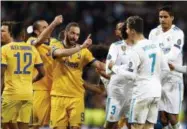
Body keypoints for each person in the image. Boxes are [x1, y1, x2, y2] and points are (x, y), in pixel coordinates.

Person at [109, 16, 170, 129]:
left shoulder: (136, 49)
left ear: (132, 31)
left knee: (136, 127)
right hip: (156, 93)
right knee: (149, 127)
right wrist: (155, 81)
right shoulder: (155, 46)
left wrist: (114, 68)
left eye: (127, 29)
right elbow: (166, 70)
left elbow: (131, 75)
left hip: (142, 93)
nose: (125, 31)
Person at [50, 22, 105, 129]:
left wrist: (110, 66)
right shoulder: (55, 45)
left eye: (77, 35)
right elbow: (60, 54)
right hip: (58, 96)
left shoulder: (84, 52)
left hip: (76, 97)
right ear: (65, 33)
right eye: (72, 33)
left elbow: (98, 64)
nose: (75, 37)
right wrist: (81, 47)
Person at [1, 22, 45, 129]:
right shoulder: (32, 49)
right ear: (23, 35)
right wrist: (31, 81)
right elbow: (42, 73)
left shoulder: (5, 49)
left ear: (11, 34)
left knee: (3, 124)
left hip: (11, 93)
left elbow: (1, 74)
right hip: (27, 94)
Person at [149, 5, 184, 129]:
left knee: (172, 117)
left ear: (172, 18)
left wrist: (159, 62)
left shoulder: (178, 33)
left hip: (173, 78)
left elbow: (174, 54)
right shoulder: (154, 33)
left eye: (165, 17)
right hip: (158, 78)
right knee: (162, 118)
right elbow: (150, 52)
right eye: (160, 17)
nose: (162, 19)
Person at [26, 15, 63, 129]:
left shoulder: (56, 42)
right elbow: (38, 41)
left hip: (57, 91)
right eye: (44, 27)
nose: (48, 29)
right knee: (34, 125)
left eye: (48, 26)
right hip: (40, 90)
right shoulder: (31, 41)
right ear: (37, 32)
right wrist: (54, 23)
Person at [104, 21, 133, 129]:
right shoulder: (115, 47)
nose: (123, 30)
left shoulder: (136, 46)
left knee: (132, 124)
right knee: (111, 123)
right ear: (116, 32)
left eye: (125, 28)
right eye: (120, 28)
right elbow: (108, 68)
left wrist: (117, 68)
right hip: (117, 92)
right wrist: (128, 69)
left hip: (131, 91)